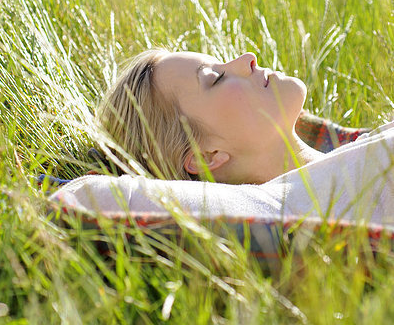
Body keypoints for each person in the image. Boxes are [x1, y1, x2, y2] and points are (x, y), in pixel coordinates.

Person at [50, 48, 394, 228]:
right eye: (215, 78)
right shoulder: (275, 206)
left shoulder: (357, 148)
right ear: (205, 157)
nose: (246, 59)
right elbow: (96, 196)